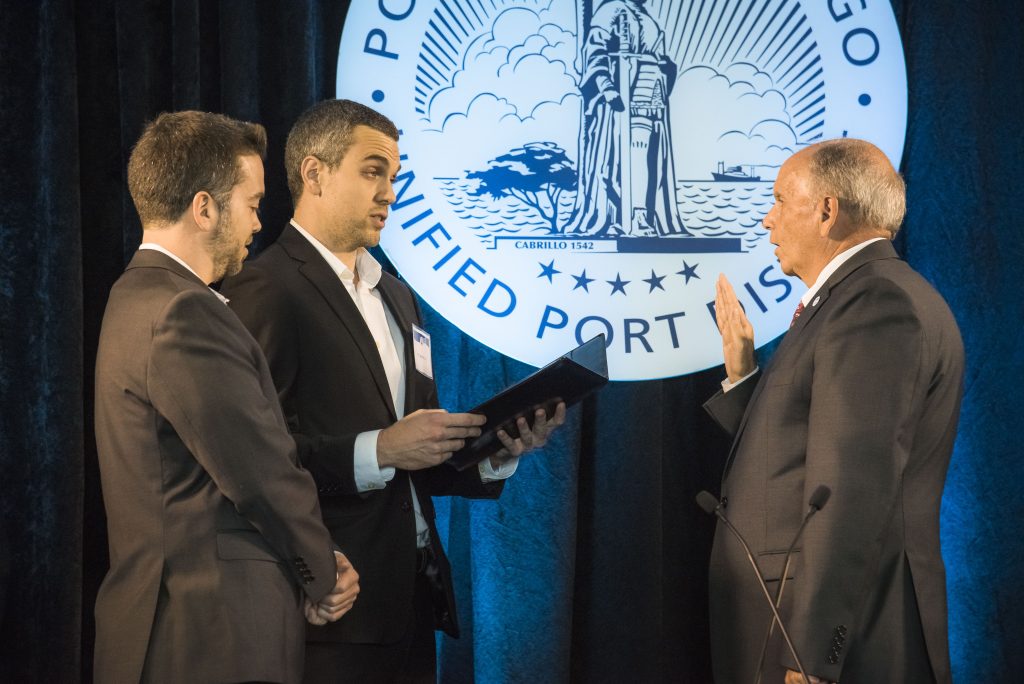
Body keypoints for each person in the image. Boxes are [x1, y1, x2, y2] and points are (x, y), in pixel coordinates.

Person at [221, 99, 565, 683]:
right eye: (372, 172)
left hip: (414, 602)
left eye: (394, 176)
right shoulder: (263, 288)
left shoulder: (398, 297)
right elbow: (252, 460)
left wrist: (497, 450)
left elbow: (419, 453)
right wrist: (380, 449)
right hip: (330, 607)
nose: (389, 193)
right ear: (314, 174)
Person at [93, 111, 360, 683]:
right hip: (210, 636)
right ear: (204, 208)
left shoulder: (132, 296)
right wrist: (323, 572)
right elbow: (259, 472)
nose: (258, 224)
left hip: (175, 630)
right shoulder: (184, 310)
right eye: (252, 204)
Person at [704, 138, 963, 683]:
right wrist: (743, 375)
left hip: (825, 643)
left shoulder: (876, 304)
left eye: (779, 200)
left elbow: (850, 487)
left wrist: (812, 653)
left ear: (827, 211)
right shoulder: (850, 299)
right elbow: (798, 451)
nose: (767, 220)